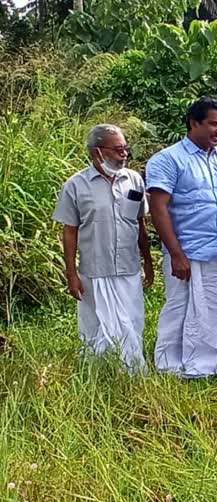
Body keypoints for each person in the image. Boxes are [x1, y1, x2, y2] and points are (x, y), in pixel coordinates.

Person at [146, 96, 217, 378]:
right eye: (214, 124)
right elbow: (158, 208)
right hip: (187, 251)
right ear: (193, 123)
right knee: (180, 309)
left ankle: (216, 365)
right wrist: (176, 253)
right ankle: (171, 366)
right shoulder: (167, 159)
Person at [53, 124, 153, 373]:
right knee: (96, 324)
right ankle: (98, 373)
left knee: (131, 321)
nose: (125, 154)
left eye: (126, 149)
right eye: (118, 150)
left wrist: (148, 261)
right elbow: (70, 231)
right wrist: (71, 274)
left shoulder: (134, 180)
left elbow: (140, 223)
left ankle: (131, 372)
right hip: (94, 270)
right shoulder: (76, 185)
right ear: (98, 152)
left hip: (128, 268)